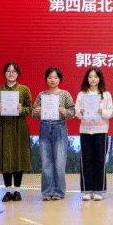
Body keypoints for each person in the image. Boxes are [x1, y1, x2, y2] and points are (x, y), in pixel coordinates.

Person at [0, 62, 33, 202]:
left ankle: (17, 190)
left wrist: (22, 109)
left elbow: (30, 109)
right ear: (4, 74)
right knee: (5, 156)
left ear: (18, 73)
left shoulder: (24, 89)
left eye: (14, 71)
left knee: (19, 156)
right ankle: (8, 190)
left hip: (19, 126)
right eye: (8, 71)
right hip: (3, 126)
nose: (11, 74)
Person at [32, 67, 75, 201]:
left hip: (60, 127)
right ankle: (47, 191)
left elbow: (73, 111)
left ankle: (59, 192)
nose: (52, 80)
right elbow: (34, 115)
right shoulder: (41, 95)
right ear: (46, 79)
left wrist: (65, 112)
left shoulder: (65, 94)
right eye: (50, 77)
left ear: (59, 79)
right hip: (45, 127)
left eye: (55, 77)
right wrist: (37, 112)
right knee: (46, 161)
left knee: (59, 162)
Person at [75, 67, 113, 201]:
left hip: (100, 130)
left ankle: (98, 190)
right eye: (90, 76)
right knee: (86, 160)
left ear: (99, 79)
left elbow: (110, 112)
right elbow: (76, 112)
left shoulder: (106, 95)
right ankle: (87, 190)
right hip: (85, 130)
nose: (93, 79)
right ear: (87, 79)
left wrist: (102, 112)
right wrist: (81, 112)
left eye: (95, 77)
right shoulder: (82, 94)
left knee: (99, 160)